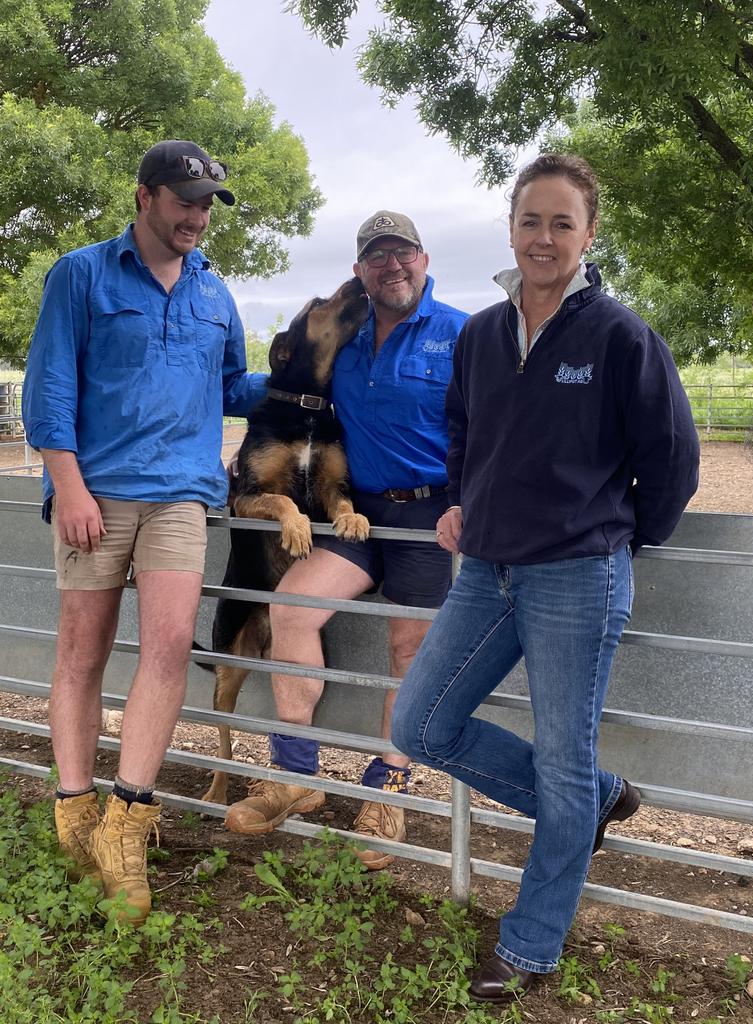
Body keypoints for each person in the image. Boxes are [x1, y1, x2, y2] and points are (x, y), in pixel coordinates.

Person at [390, 154, 700, 997]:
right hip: (486, 568)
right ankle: (593, 801)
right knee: (419, 724)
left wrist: (620, 537)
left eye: (564, 223)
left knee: (561, 760)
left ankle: (530, 944)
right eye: (532, 220)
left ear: (589, 235)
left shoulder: (620, 336)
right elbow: (461, 431)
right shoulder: (485, 333)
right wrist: (463, 500)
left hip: (576, 573)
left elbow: (671, 457)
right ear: (511, 226)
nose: (545, 237)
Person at [22, 140, 266, 924]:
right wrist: (69, 486)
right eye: (185, 200)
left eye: (206, 205)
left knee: (166, 649)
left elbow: (232, 384)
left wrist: (301, 372)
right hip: (94, 494)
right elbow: (50, 389)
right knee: (81, 652)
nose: (197, 217)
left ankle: (127, 820)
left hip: (182, 499)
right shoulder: (82, 274)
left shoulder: (214, 291)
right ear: (145, 197)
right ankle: (74, 808)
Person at [224, 211, 469, 868]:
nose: (392, 266)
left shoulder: (462, 334)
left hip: (430, 515)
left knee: (407, 644)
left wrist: (472, 499)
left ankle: (387, 788)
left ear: (423, 257)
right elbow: (283, 386)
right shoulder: (349, 341)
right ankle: (294, 777)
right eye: (377, 257)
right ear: (362, 269)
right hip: (355, 513)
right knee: (292, 608)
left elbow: (500, 423)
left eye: (403, 253)